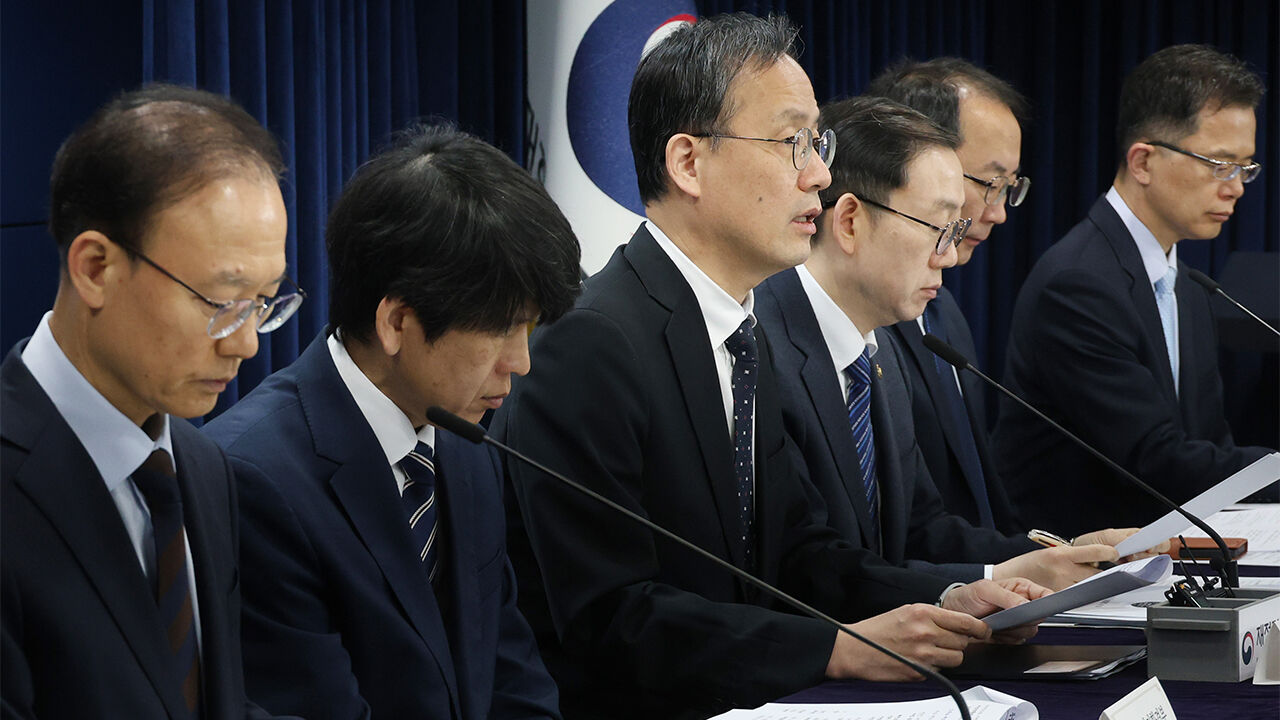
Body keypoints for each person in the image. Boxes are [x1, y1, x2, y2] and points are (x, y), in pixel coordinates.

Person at [497, 14, 1045, 720]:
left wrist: (948, 597)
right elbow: (614, 618)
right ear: (688, 163)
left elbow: (800, 554)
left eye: (818, 143)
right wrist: (836, 649)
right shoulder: (594, 342)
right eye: (793, 143)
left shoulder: (742, 332)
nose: (819, 174)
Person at [203, 124, 580, 719]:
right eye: (500, 328)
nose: (521, 361)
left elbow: (512, 678)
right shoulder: (252, 481)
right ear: (397, 322)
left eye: (529, 328)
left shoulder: (464, 443)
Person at [2, 84, 299, 718]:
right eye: (222, 301)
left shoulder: (201, 465)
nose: (247, 343)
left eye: (264, 301)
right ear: (96, 268)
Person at [756, 96, 1124, 592]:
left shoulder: (880, 351)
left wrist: (1060, 555)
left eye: (955, 231)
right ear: (849, 221)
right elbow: (808, 570)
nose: (949, 257)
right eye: (938, 228)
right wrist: (974, 586)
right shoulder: (762, 350)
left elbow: (922, 532)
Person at [994, 44, 1271, 536]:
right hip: (1082, 565)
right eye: (1219, 164)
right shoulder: (1078, 283)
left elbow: (1211, 444)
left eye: (1245, 167)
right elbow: (1154, 460)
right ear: (1143, 161)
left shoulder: (1188, 286)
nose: (1236, 187)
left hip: (1170, 555)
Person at [868, 58, 1031, 533]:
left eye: (1009, 187)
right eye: (990, 183)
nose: (998, 212)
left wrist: (1048, 555)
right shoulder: (866, 318)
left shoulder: (945, 311)